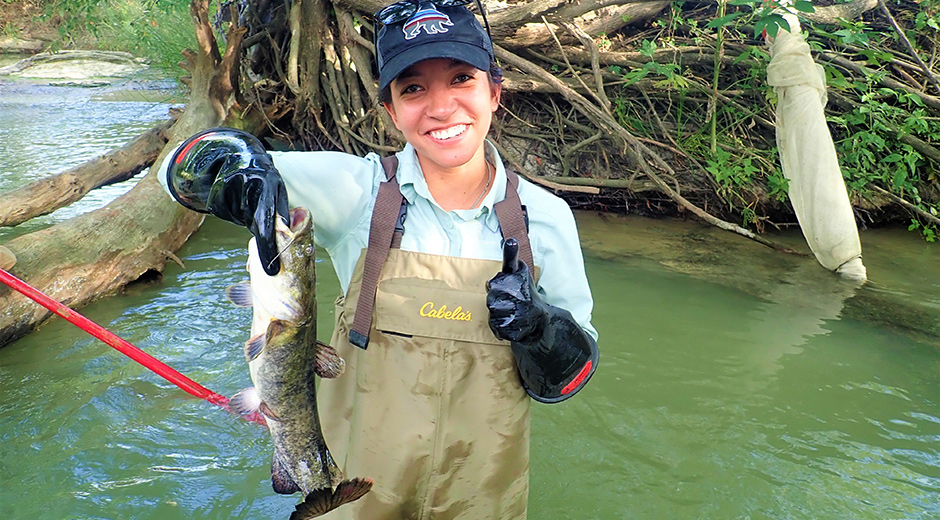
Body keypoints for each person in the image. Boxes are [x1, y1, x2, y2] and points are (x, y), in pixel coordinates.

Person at [158, 1, 599, 517]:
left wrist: (538, 328)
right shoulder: (356, 192)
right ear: (390, 109)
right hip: (353, 491)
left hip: (485, 498)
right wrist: (236, 160)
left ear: (495, 92)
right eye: (413, 88)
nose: (440, 107)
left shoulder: (546, 219)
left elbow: (569, 376)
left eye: (461, 79)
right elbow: (181, 173)